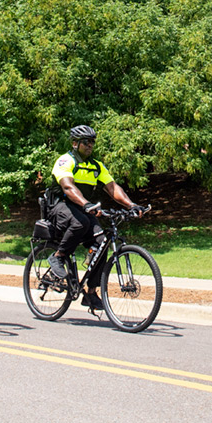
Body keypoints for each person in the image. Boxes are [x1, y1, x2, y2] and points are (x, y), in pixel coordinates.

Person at [46, 125, 144, 312]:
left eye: (92, 142)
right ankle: (58, 257)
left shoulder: (96, 166)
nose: (90, 145)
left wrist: (131, 205)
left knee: (102, 241)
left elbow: (112, 187)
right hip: (58, 206)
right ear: (75, 143)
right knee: (80, 222)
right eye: (86, 142)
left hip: (81, 207)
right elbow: (67, 187)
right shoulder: (66, 160)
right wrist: (86, 204)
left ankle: (91, 292)